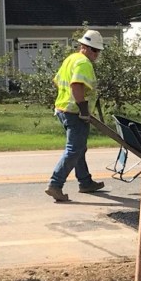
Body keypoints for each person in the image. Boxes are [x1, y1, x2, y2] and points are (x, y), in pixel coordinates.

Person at [45, 30, 107, 202]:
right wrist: (83, 108)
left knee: (79, 147)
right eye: (94, 50)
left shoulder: (71, 59)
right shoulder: (83, 62)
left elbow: (58, 81)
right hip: (74, 111)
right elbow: (76, 85)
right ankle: (55, 184)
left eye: (98, 51)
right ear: (84, 47)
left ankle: (85, 182)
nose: (96, 54)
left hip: (63, 108)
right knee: (74, 149)